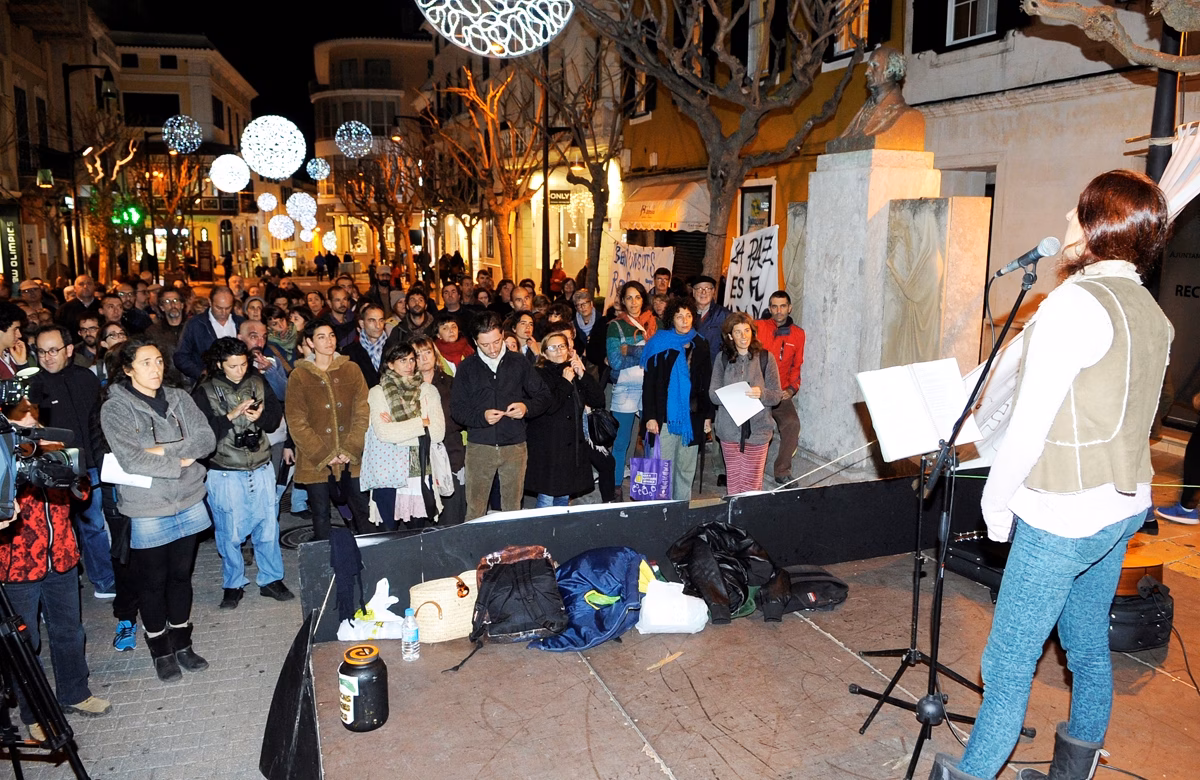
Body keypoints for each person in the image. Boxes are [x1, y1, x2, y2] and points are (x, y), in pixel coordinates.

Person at [928, 170, 1174, 780]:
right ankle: (1073, 774)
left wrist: (996, 506)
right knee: (1088, 647)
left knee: (1007, 664)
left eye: (1079, 210)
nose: (1067, 214)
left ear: (1097, 229)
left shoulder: (1073, 305)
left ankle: (973, 773)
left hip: (1060, 512)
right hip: (1121, 509)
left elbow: (1031, 425)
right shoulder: (1153, 313)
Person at [100, 340, 216, 682]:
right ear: (128, 368)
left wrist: (160, 452)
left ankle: (182, 643)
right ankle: (161, 649)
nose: (156, 368)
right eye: (146, 362)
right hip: (147, 506)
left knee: (181, 577)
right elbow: (130, 458)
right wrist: (180, 457)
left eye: (159, 361)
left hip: (189, 498)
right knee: (152, 582)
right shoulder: (116, 408)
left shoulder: (179, 397)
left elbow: (206, 439)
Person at [0, 478, 112, 738]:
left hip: (62, 555)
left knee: (70, 631)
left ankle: (75, 693)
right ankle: (35, 711)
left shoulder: (52, 443)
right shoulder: (6, 453)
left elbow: (82, 495)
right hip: (17, 564)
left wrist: (67, 475)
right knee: (25, 643)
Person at [192, 338, 292, 610]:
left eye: (243, 364)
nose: (240, 370)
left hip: (260, 465)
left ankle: (271, 579)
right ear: (219, 364)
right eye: (233, 366)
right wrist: (230, 416)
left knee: (268, 526)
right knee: (229, 532)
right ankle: (233, 584)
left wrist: (259, 416)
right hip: (225, 471)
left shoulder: (258, 382)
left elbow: (273, 421)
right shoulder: (205, 390)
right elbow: (200, 438)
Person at [27, 325, 115, 599]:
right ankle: (57, 589)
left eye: (53, 350)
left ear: (67, 350)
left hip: (90, 466)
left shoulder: (86, 378)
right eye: (41, 352)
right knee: (58, 529)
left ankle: (103, 581)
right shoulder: (34, 387)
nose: (47, 357)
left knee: (94, 526)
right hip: (55, 471)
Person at [450, 312, 551, 519]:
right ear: (475, 342)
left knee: (512, 510)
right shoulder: (467, 367)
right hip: (480, 447)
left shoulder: (519, 362)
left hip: (514, 446)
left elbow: (543, 396)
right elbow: (457, 409)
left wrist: (526, 408)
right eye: (485, 345)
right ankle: (475, 550)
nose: (493, 349)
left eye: (497, 341)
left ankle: (511, 551)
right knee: (475, 509)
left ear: (503, 335)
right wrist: (481, 416)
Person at [285, 321, 370, 539]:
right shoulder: (299, 375)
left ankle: (369, 557)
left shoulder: (351, 369)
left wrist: (351, 447)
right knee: (321, 514)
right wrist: (324, 454)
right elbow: (296, 420)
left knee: (363, 510)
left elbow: (362, 411)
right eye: (321, 337)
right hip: (316, 459)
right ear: (310, 342)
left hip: (351, 456)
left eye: (331, 335)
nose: (329, 341)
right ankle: (325, 563)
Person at [360, 341, 445, 528]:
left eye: (411, 360)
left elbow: (437, 434)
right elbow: (383, 433)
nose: (409, 365)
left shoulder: (428, 391)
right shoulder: (378, 392)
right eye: (402, 360)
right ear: (390, 364)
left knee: (417, 534)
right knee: (388, 534)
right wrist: (421, 423)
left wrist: (398, 429)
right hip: (388, 472)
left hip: (419, 471)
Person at [642, 297, 714, 501]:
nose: (684, 320)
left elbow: (706, 382)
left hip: (692, 417)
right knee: (661, 470)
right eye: (679, 315)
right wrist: (650, 417)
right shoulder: (659, 343)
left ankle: (681, 512)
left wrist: (708, 416)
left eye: (688, 315)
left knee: (685, 470)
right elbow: (649, 385)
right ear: (671, 318)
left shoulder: (700, 343)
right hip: (663, 417)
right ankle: (659, 513)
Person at [525, 331, 606, 507]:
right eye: (553, 348)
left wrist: (583, 375)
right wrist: (566, 382)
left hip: (571, 445)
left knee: (563, 494)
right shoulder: (538, 374)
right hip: (548, 446)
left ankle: (558, 531)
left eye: (562, 346)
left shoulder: (572, 371)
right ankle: (544, 531)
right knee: (547, 495)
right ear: (544, 353)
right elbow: (550, 406)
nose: (559, 351)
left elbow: (598, 400)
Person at [710, 312, 782, 495]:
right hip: (729, 431)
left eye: (747, 331)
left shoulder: (766, 358)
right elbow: (713, 395)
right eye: (738, 332)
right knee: (734, 485)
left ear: (753, 332)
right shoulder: (722, 359)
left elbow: (776, 396)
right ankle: (733, 522)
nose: (743, 336)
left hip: (758, 431)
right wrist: (732, 394)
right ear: (730, 336)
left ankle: (750, 522)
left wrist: (761, 393)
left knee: (752, 487)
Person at [606, 281, 655, 494]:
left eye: (637, 297)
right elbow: (615, 361)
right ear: (623, 301)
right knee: (621, 441)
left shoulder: (657, 324)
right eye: (629, 298)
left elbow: (659, 360)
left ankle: (647, 487)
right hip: (625, 388)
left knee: (651, 441)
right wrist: (644, 353)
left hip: (651, 389)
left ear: (643, 299)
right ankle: (615, 486)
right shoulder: (615, 326)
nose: (633, 302)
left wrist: (631, 350)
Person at [412, 336, 466, 525]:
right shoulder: (407, 387)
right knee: (424, 514)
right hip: (418, 456)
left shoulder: (451, 383)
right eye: (417, 354)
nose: (424, 358)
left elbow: (461, 417)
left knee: (452, 515)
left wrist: (432, 425)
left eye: (427, 352)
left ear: (435, 355)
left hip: (451, 453)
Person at [757, 291, 805, 484]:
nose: (779, 311)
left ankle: (782, 471)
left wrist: (792, 389)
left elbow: (797, 365)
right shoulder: (758, 327)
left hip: (780, 392)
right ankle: (751, 469)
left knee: (792, 424)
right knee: (754, 428)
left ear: (789, 308)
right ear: (769, 309)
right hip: (757, 392)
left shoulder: (798, 334)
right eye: (775, 306)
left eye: (783, 306)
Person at [175, 287, 243, 382]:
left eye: (228, 308)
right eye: (219, 308)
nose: (223, 313)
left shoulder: (241, 323)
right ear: (210, 302)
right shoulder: (195, 324)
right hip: (208, 385)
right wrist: (201, 373)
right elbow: (181, 356)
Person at [340, 303, 387, 387]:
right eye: (372, 320)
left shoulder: (394, 348)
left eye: (381, 320)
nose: (378, 326)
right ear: (362, 324)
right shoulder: (349, 353)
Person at [691, 275, 729, 361]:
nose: (703, 292)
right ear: (693, 292)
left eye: (708, 289)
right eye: (699, 289)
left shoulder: (724, 315)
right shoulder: (686, 314)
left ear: (713, 292)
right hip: (689, 366)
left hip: (714, 366)